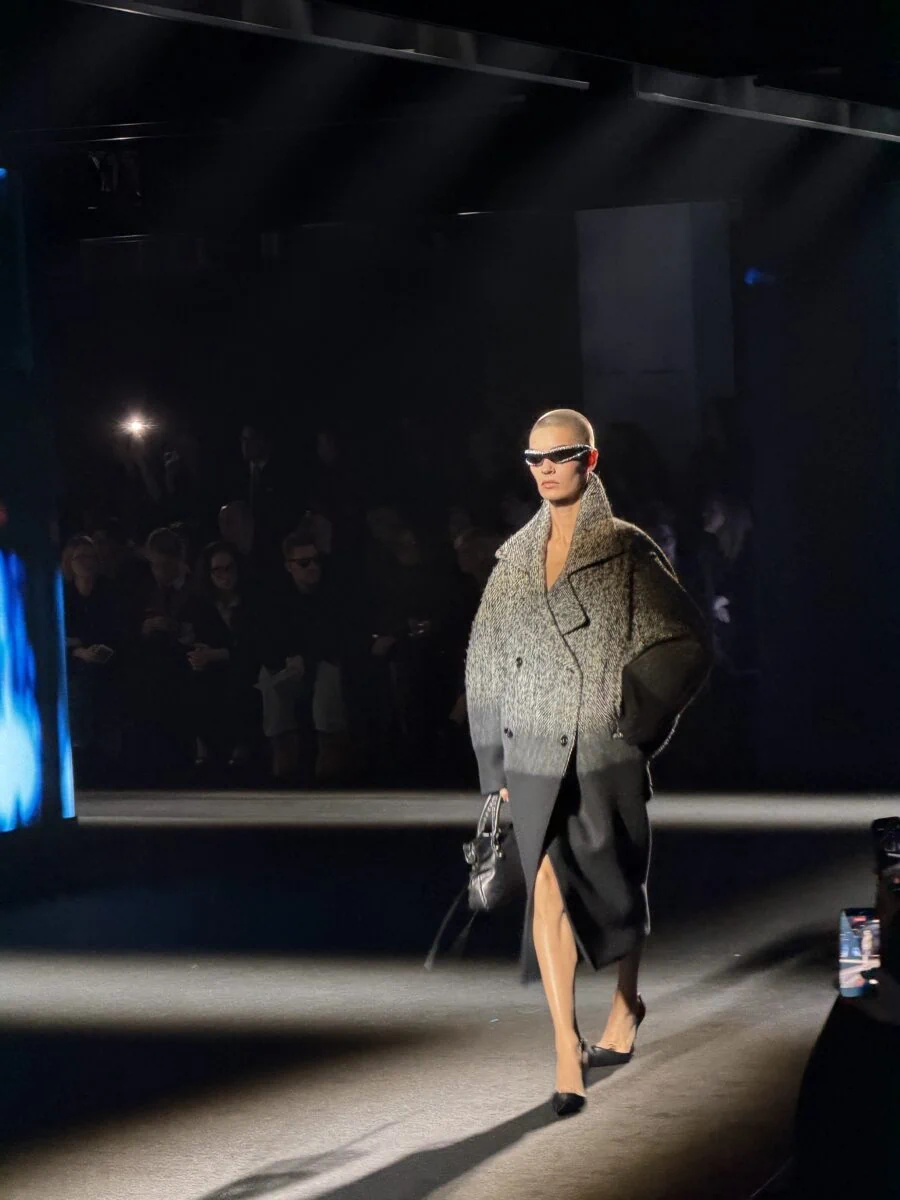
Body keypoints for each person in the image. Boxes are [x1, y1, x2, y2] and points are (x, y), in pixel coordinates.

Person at [465, 408, 712, 1118]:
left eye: (560, 455)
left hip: (603, 749)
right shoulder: (514, 562)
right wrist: (494, 770)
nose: (545, 469)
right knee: (546, 888)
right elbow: (485, 665)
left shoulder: (626, 549)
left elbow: (686, 640)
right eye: (533, 459)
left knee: (616, 885)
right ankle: (563, 1049)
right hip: (533, 750)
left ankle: (626, 1002)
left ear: (589, 460)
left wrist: (632, 715)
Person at [187, 541, 262, 770]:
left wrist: (217, 654)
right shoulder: (202, 605)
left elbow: (254, 645)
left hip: (248, 664)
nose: (224, 575)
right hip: (213, 665)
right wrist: (199, 656)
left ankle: (242, 744)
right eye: (217, 570)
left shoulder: (253, 601)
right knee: (194, 676)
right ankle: (201, 744)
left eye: (229, 568)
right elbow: (198, 637)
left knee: (239, 679)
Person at [62, 535, 126, 781]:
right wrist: (79, 650)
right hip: (73, 662)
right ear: (70, 562)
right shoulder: (63, 594)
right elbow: (58, 635)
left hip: (109, 658)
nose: (86, 562)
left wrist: (90, 646)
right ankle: (82, 752)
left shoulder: (109, 591)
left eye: (90, 556)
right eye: (80, 557)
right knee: (81, 683)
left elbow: (116, 630)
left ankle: (107, 760)